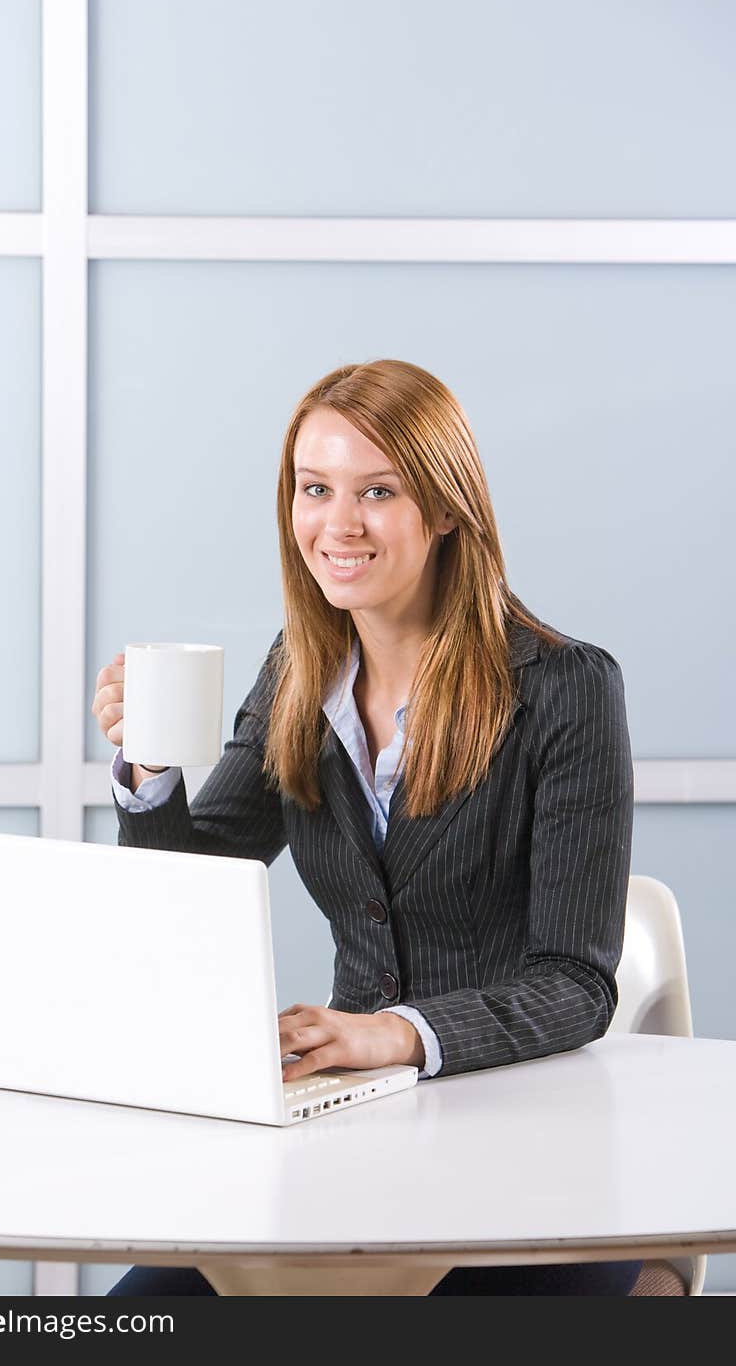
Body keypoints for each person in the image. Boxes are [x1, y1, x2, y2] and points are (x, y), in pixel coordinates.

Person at [91, 359, 642, 1296]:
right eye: (315, 489)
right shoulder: (298, 673)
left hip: (529, 1142)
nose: (337, 525)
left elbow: (577, 985)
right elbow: (198, 879)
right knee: (148, 1312)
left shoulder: (566, 688)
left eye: (377, 492)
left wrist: (398, 1031)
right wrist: (149, 772)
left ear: (444, 510)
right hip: (349, 1130)